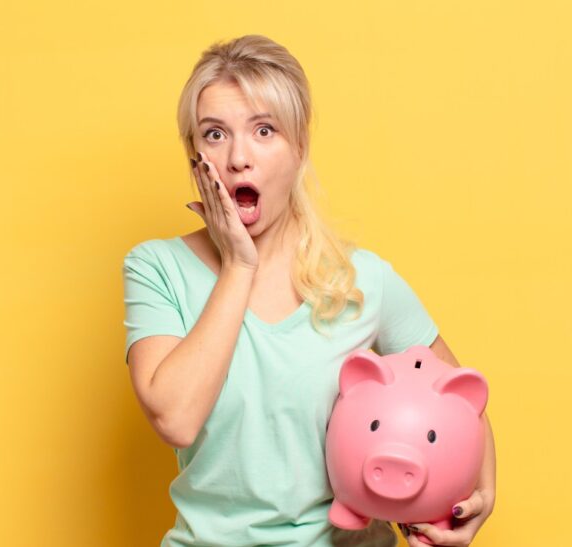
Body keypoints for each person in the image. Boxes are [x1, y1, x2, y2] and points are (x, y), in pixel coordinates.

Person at [122, 34, 496, 547]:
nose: (237, 159)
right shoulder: (156, 267)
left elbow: (462, 401)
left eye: (264, 130)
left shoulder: (363, 279)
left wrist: (482, 498)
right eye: (214, 134)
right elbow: (177, 418)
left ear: (299, 148)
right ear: (195, 157)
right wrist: (238, 265)